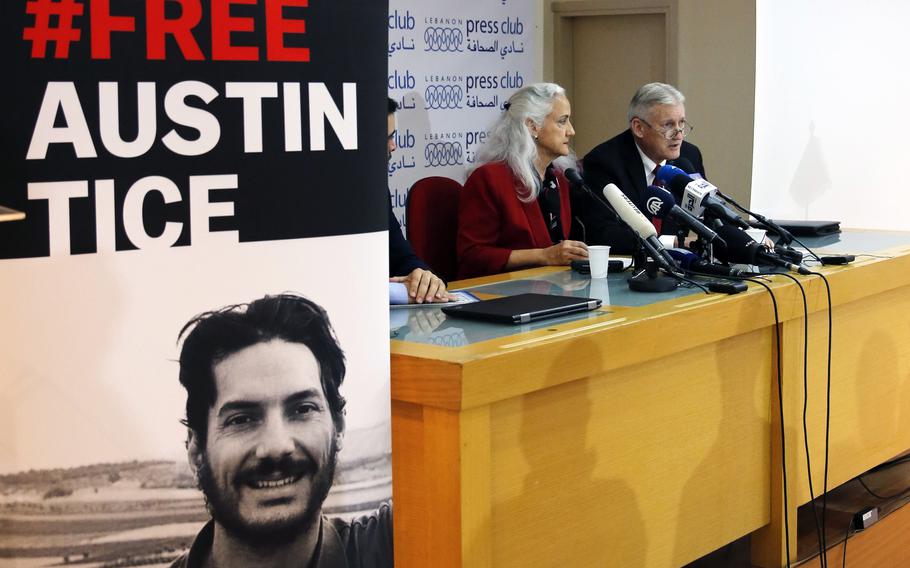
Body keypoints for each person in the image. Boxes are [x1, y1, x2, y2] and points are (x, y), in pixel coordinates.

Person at [171, 293, 393, 568]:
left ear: (338, 429)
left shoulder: (394, 546)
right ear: (196, 451)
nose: (277, 446)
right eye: (241, 419)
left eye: (302, 409)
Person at [456, 83, 588, 279]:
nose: (571, 131)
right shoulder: (489, 179)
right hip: (499, 294)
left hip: (551, 288)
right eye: (562, 121)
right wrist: (543, 256)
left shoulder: (558, 177)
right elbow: (472, 256)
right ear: (532, 126)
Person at [574, 82, 706, 254]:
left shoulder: (689, 156)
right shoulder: (603, 162)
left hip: (678, 268)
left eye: (681, 123)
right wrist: (674, 242)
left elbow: (707, 215)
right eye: (668, 125)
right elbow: (604, 234)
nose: (679, 134)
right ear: (638, 128)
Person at [387, 97, 451, 303]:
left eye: (394, 136)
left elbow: (401, 255)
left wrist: (423, 276)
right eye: (386, 137)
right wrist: (398, 293)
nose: (393, 146)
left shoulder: (374, 189)